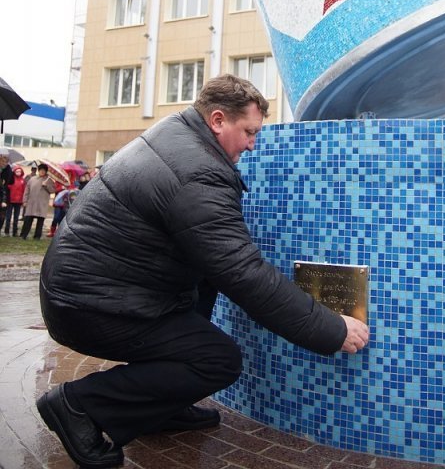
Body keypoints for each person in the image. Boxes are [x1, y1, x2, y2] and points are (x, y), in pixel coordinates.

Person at [37, 74, 369, 469]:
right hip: (89, 307)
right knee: (216, 360)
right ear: (216, 120)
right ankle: (78, 406)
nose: (252, 143)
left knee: (205, 286)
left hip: (93, 291)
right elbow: (242, 272)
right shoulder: (196, 172)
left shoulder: (178, 135)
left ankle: (161, 409)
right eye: (248, 131)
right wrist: (330, 328)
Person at [20, 163, 55, 239]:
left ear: (46, 171)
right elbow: (27, 191)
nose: (42, 172)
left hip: (42, 204)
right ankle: (23, 235)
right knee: (28, 220)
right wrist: (25, 201)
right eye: (41, 170)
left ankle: (37, 236)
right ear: (38, 170)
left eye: (44, 170)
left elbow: (52, 190)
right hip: (31, 203)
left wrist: (46, 186)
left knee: (40, 221)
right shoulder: (32, 179)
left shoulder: (49, 180)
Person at [5, 165, 26, 236]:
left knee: (16, 217)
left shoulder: (23, 180)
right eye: (17, 171)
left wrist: (23, 200)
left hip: (19, 201)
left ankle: (15, 231)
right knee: (8, 216)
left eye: (20, 171)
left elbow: (24, 191)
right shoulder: (11, 179)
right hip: (11, 200)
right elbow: (7, 188)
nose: (18, 172)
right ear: (14, 172)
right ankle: (6, 231)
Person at [0, 148, 14, 232]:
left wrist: (5, 181)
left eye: (6, 161)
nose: (4, 163)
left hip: (3, 195)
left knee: (2, 217)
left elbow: (11, 181)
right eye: (2, 160)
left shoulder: (8, 169)